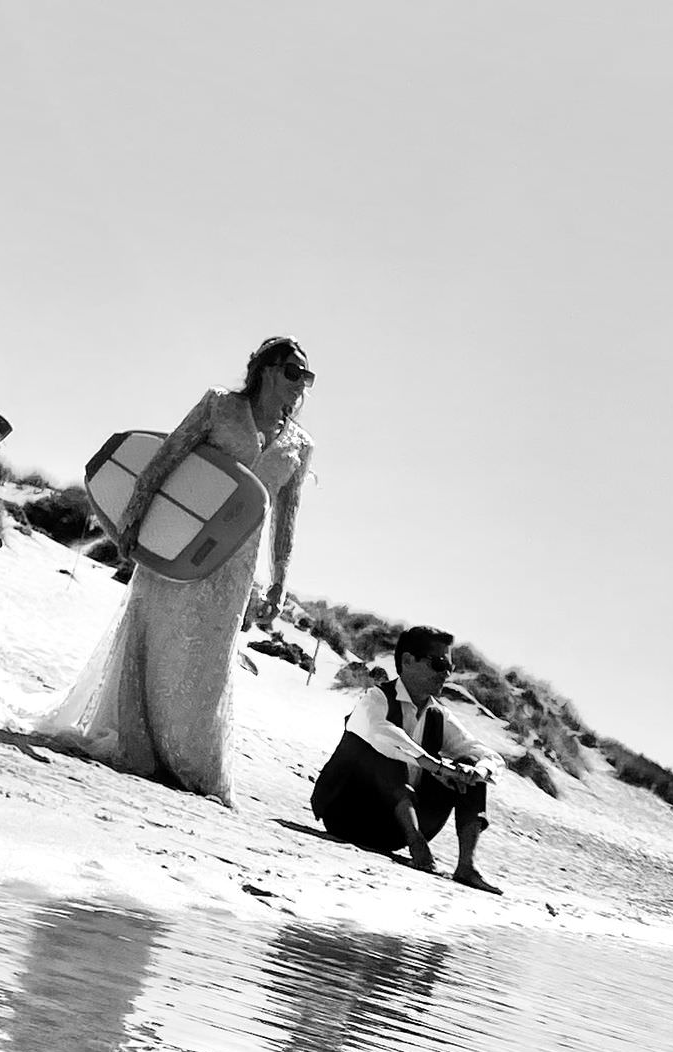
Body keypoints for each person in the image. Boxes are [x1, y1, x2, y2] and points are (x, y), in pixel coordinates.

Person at [34, 336, 316, 805]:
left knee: (209, 661)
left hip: (235, 561)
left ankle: (193, 764)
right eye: (292, 372)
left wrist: (280, 580)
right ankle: (141, 745)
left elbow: (287, 516)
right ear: (267, 369)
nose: (300, 384)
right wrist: (132, 522)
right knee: (157, 640)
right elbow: (165, 460)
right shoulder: (220, 406)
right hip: (178, 540)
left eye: (307, 378)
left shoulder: (300, 445)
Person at [309, 626, 505, 893]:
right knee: (387, 749)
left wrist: (476, 772)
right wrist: (435, 766)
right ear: (408, 661)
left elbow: (488, 755)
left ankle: (466, 866)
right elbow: (383, 734)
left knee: (471, 762)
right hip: (349, 817)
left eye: (450, 667)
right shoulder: (374, 699)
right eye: (439, 664)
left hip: (393, 833)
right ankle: (416, 843)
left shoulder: (439, 715)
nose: (446, 674)